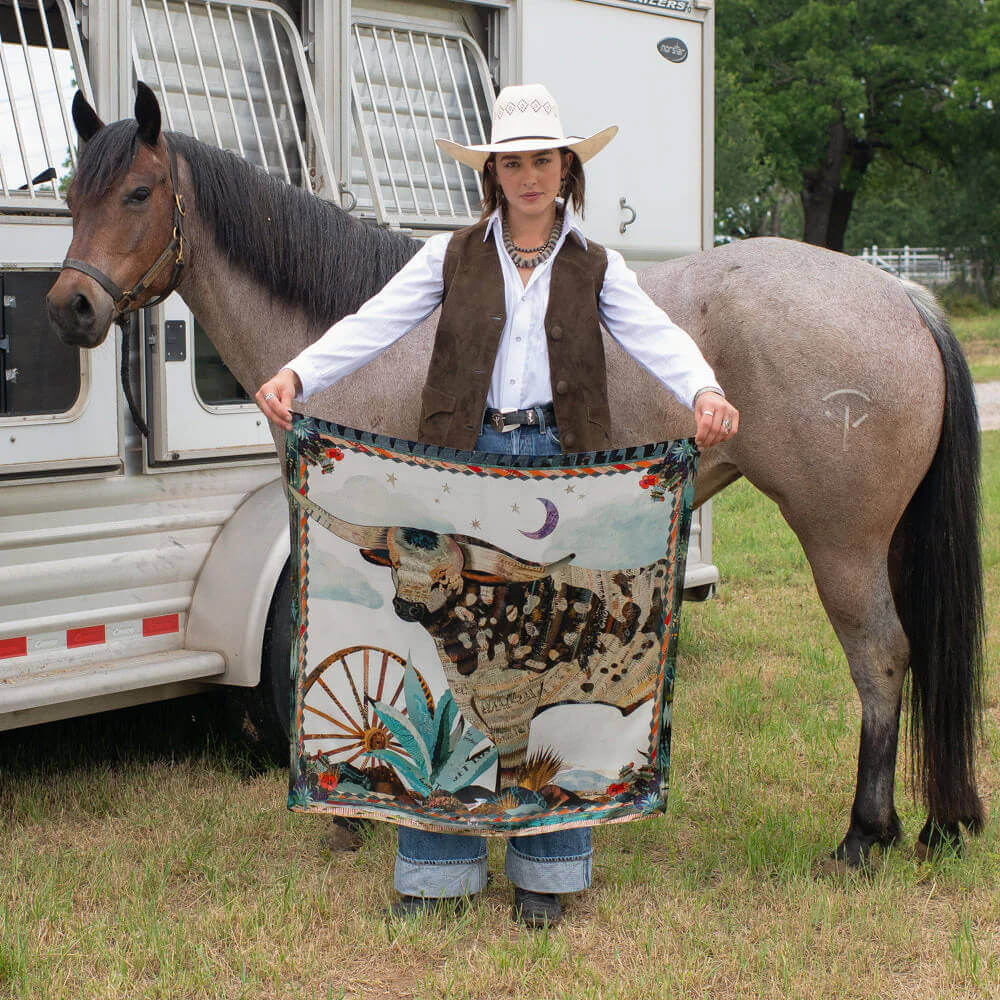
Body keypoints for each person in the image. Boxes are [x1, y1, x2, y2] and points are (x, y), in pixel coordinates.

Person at [257, 83, 739, 927]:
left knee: (550, 655)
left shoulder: (595, 264)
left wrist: (703, 388)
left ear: (566, 170)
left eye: (541, 160)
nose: (527, 176)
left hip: (558, 471)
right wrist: (300, 374)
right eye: (511, 162)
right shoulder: (448, 258)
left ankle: (547, 876)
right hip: (462, 469)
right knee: (451, 672)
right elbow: (376, 322)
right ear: (493, 173)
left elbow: (655, 335)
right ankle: (437, 874)